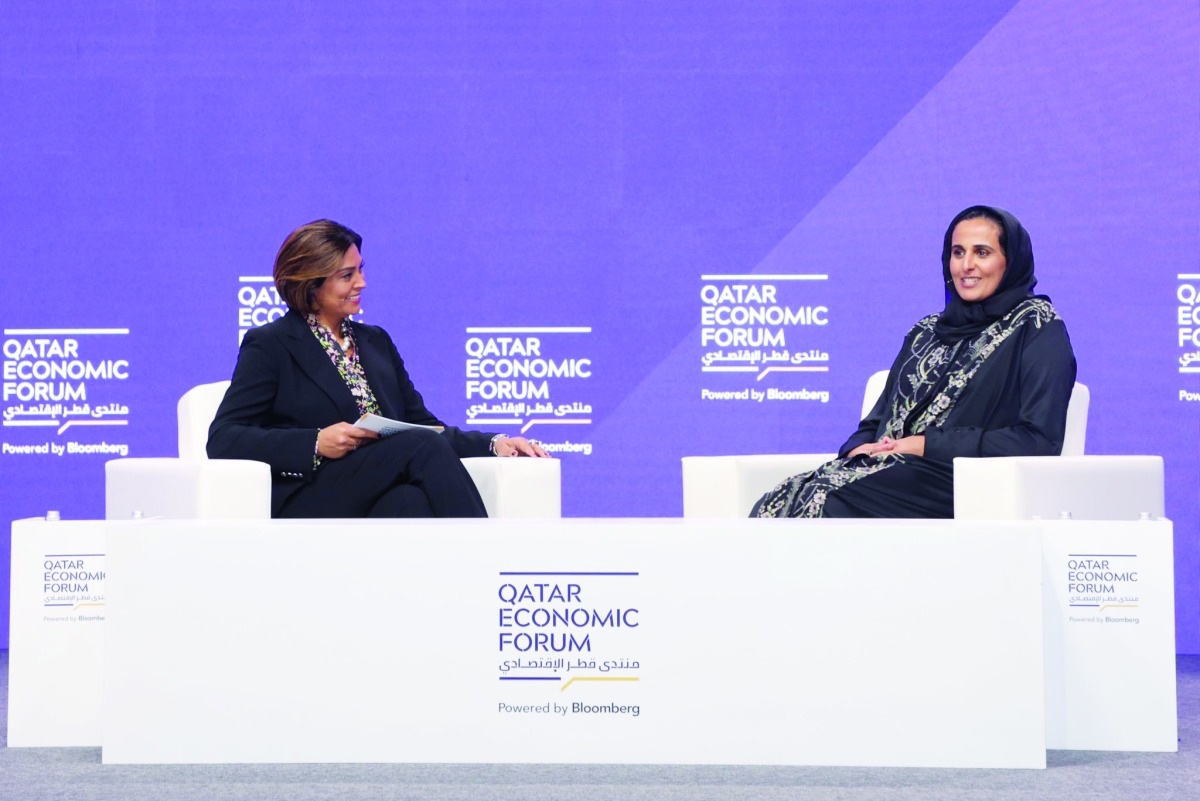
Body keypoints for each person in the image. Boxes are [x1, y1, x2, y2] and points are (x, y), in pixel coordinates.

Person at [208, 219, 550, 518]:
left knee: (410, 501)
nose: (362, 282)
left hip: (375, 487)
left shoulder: (376, 342)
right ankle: (492, 561)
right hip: (309, 494)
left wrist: (494, 443)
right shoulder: (271, 344)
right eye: (347, 275)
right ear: (310, 284)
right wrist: (314, 442)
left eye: (360, 269)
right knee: (419, 448)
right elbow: (224, 438)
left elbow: (423, 426)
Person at [752, 205, 1076, 518]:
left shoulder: (1036, 326)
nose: (966, 266)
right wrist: (859, 448)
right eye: (958, 252)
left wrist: (924, 445)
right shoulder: (925, 331)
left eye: (982, 252)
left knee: (825, 501)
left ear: (1011, 261)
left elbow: (1038, 439)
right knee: (777, 502)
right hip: (886, 472)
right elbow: (875, 421)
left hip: (959, 479)